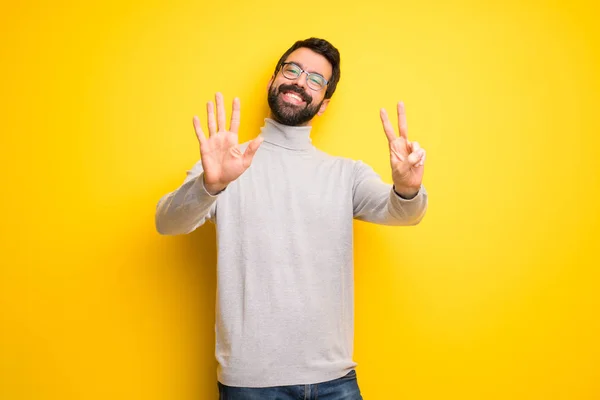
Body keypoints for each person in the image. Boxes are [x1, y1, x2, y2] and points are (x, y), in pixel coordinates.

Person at [155, 37, 428, 399]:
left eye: (316, 80)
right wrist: (209, 184)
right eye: (293, 70)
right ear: (273, 81)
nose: (301, 82)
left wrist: (407, 187)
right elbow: (167, 221)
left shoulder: (345, 174)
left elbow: (402, 213)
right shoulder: (228, 166)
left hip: (336, 380)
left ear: (324, 103)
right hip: (251, 384)